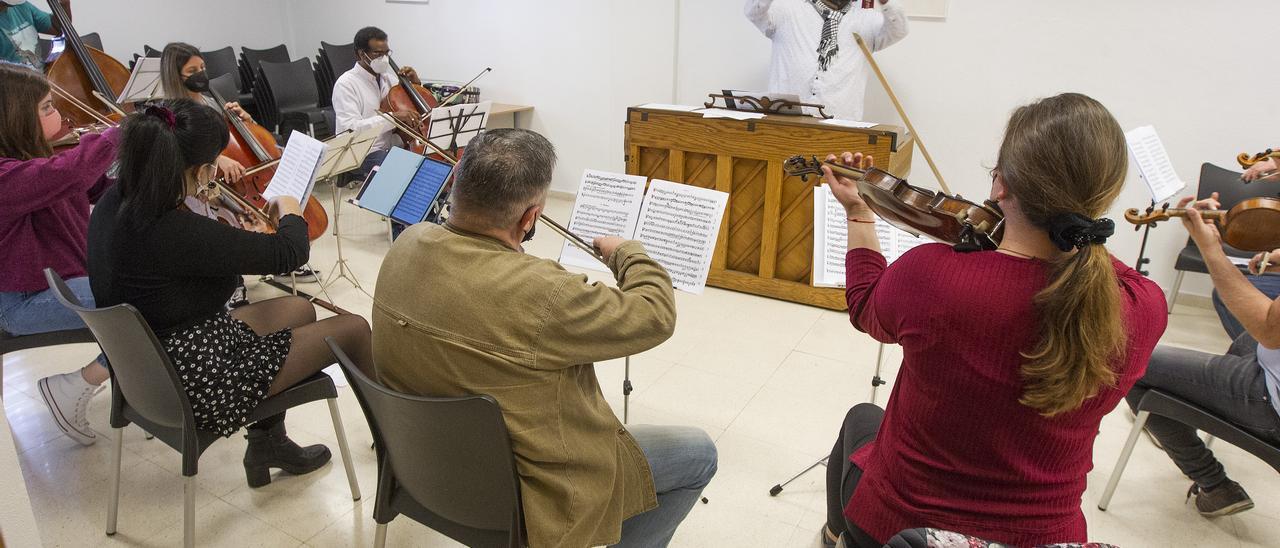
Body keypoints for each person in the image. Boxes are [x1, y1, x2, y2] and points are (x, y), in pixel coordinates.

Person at [821, 93, 1167, 546]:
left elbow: (866, 307)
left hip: (903, 528)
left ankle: (837, 537)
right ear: (1101, 198)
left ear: (1001, 185)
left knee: (861, 417)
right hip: (1043, 538)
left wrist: (859, 212)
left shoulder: (932, 273)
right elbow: (1078, 267)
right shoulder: (1143, 305)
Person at [373, 128, 717, 547]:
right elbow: (655, 315)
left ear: (457, 187)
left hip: (424, 470)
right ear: (529, 218)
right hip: (527, 496)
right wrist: (627, 251)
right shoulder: (543, 292)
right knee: (699, 453)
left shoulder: (408, 243)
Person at [86, 98, 374, 487]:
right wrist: (289, 209)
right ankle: (400, 442)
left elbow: (190, 259)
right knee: (354, 327)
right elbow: (289, 252)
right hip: (198, 379)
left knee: (298, 309)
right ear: (200, 169)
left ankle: (268, 444)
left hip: (152, 363)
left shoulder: (115, 203)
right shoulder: (172, 230)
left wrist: (216, 222)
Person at [1127, 188, 1280, 517]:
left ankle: (1214, 485)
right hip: (1269, 359)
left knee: (1133, 366)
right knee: (1237, 347)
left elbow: (1269, 329)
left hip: (1269, 398)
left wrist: (1211, 249)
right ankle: (1182, 409)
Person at [1, 62, 111, 446]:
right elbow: (69, 176)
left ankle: (127, 386)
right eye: (47, 108)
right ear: (16, 116)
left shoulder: (43, 157)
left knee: (156, 288)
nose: (60, 115)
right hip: (21, 303)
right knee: (142, 299)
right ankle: (77, 386)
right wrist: (115, 137)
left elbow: (100, 189)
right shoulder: (8, 175)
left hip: (64, 282)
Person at [157, 42, 319, 285]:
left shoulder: (210, 102)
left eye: (202, 67)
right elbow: (183, 151)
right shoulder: (171, 112)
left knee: (269, 202)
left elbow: (234, 141)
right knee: (238, 214)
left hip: (234, 177)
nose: (201, 74)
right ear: (175, 75)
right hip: (201, 183)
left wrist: (244, 120)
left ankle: (280, 255)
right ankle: (246, 271)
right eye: (192, 72)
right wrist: (217, 157)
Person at [331, 26, 424, 239]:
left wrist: (415, 84)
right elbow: (350, 128)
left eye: (386, 53)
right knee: (400, 170)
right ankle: (403, 234)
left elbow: (415, 110)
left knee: (428, 168)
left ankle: (424, 223)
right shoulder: (346, 84)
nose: (383, 58)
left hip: (391, 146)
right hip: (360, 151)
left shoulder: (390, 79)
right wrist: (392, 117)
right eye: (377, 54)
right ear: (359, 54)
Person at [745, 0, 908, 121]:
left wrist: (885, 1)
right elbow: (753, 11)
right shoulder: (786, 8)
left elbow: (900, 30)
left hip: (841, 125)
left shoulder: (867, 20)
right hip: (784, 122)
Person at [0, 0, 68, 70]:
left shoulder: (21, 6)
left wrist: (64, 4)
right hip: (16, 79)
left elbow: (58, 28)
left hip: (43, 76)